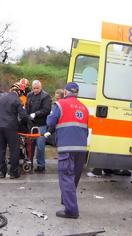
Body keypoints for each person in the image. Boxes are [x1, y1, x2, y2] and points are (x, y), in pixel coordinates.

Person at [46, 82, 89, 219]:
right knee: (73, 177)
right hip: (81, 148)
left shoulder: (60, 104)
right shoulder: (84, 108)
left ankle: (71, 210)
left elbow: (50, 122)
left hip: (67, 147)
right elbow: (86, 130)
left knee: (66, 177)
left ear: (65, 92)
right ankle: (67, 200)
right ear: (77, 93)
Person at [0, 82, 28, 179]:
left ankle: (2, 172)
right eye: (21, 93)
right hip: (11, 127)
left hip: (0, 126)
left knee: (0, 150)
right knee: (14, 150)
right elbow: (23, 116)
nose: (21, 94)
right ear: (18, 91)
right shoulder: (17, 100)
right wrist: (27, 124)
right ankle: (13, 173)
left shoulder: (1, 98)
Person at [25, 80, 51, 172]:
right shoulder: (29, 95)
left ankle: (41, 165)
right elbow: (27, 107)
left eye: (37, 88)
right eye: (34, 88)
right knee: (29, 146)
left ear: (41, 87)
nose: (35, 90)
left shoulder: (46, 96)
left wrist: (36, 114)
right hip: (31, 124)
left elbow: (46, 109)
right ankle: (29, 163)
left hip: (41, 124)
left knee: (40, 146)